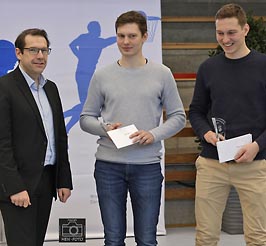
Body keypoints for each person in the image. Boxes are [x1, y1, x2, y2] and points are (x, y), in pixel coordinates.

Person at [80, 10, 186, 246]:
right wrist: (105, 128)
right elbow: (86, 118)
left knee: (147, 240)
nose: (125, 42)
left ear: (145, 36)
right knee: (113, 240)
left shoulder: (162, 74)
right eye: (120, 36)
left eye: (132, 36)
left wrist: (153, 134)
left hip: (147, 167)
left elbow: (178, 117)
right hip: (108, 167)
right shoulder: (102, 75)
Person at [189, 3, 266, 246]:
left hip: (255, 164)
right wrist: (206, 134)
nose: (225, 39)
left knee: (257, 237)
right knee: (206, 237)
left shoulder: (263, 65)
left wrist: (257, 145)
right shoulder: (208, 68)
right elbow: (196, 112)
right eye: (220, 33)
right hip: (212, 164)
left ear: (245, 29)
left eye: (231, 32)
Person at [0, 28, 73, 246]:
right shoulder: (4, 87)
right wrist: (14, 187)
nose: (40, 56)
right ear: (18, 53)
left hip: (47, 179)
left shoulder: (51, 89)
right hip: (19, 185)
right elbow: (2, 143)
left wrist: (63, 179)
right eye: (33, 50)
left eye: (44, 50)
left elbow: (60, 137)